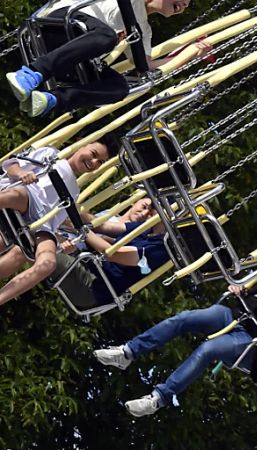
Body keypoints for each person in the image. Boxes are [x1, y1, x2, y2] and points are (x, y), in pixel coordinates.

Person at [92, 252, 257, 416]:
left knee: (209, 349)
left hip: (253, 345)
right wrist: (241, 290)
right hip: (238, 317)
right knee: (185, 318)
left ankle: (159, 398)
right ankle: (128, 352)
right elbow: (252, 293)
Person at [6, 0, 212, 117]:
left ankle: (52, 101)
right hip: (60, 25)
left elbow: (146, 65)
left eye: (186, 5)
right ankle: (31, 73)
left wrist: (189, 53)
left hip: (79, 52)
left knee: (120, 88)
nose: (185, 4)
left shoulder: (143, 29)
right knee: (108, 37)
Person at [0, 135, 119, 307]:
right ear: (82, 143)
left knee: (48, 263)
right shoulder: (51, 154)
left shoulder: (74, 193)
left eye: (99, 162)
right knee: (15, 196)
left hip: (42, 222)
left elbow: (54, 224)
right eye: (93, 154)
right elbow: (10, 164)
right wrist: (21, 174)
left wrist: (60, 245)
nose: (93, 162)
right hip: (27, 196)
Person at [48, 203, 167, 311]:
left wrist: (77, 226)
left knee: (47, 251)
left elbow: (111, 253)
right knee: (47, 233)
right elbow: (102, 226)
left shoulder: (159, 249)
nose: (148, 212)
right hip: (85, 261)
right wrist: (69, 207)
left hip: (93, 287)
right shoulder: (146, 228)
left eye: (155, 206)